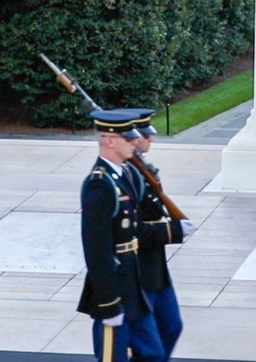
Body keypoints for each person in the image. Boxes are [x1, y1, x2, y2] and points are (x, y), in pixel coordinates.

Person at [78, 109, 189, 362]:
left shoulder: (122, 176)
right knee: (112, 357)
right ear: (109, 140)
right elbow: (96, 251)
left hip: (133, 279)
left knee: (153, 352)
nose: (134, 142)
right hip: (115, 284)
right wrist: (108, 304)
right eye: (128, 138)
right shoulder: (99, 184)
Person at [127, 109, 196, 362]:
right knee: (149, 346)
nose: (150, 139)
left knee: (171, 327)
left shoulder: (143, 169)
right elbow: (131, 230)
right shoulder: (128, 176)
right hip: (140, 268)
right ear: (133, 138)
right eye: (145, 135)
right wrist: (173, 230)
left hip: (156, 266)